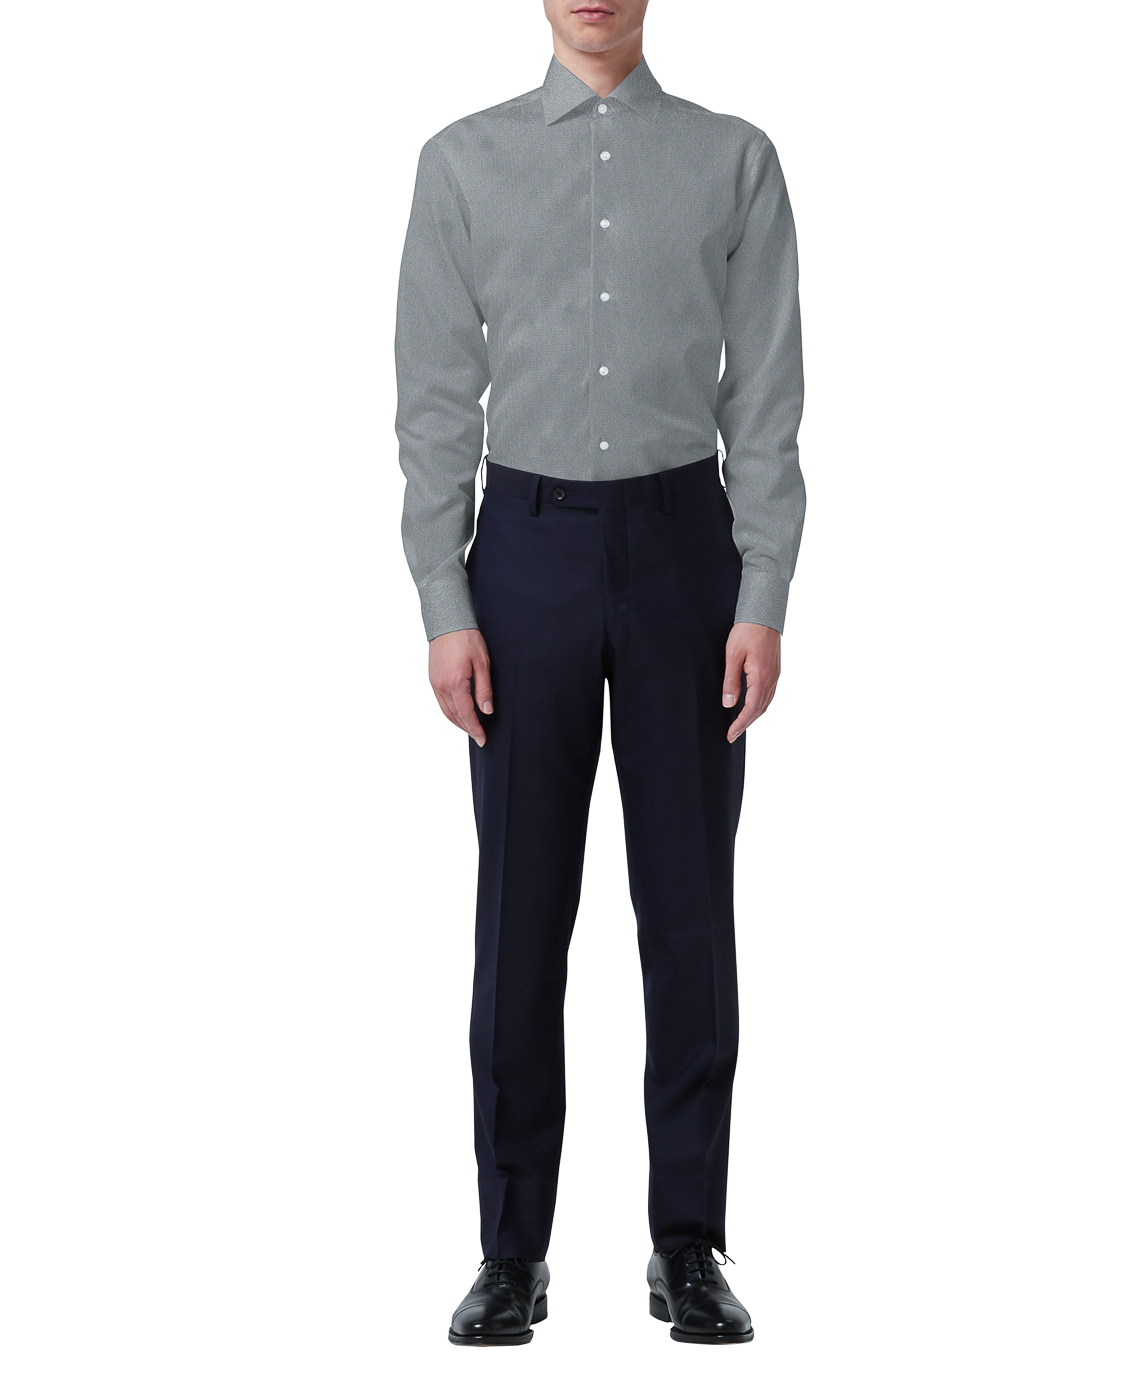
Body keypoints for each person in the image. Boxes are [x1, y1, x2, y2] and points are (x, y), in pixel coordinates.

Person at [394, 0, 804, 1347]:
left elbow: (767, 400)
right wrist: (445, 599)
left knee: (690, 914)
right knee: (520, 914)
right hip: (525, 554)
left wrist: (761, 591)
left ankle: (688, 1245)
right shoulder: (463, 163)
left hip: (687, 550)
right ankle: (510, 1252)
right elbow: (435, 399)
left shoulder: (734, 159)